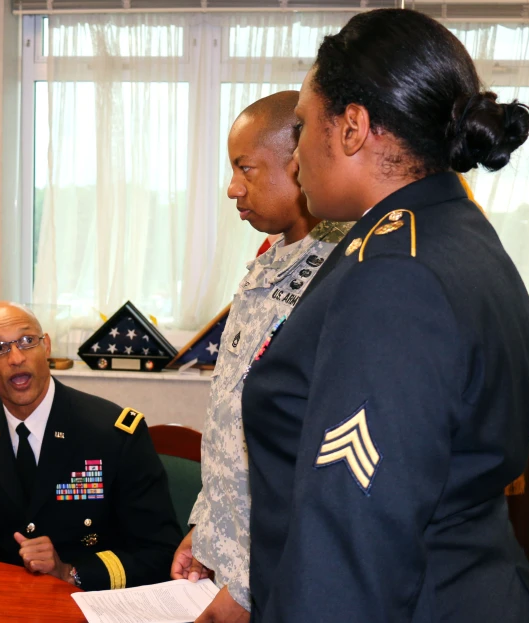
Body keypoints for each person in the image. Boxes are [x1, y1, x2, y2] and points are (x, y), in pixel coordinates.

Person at [241, 9, 529, 622]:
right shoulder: (456, 229)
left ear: (351, 128)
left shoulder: (393, 274)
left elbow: (353, 534)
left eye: (301, 126)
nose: (295, 153)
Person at [170, 91, 350, 623]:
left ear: (297, 165)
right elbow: (232, 418)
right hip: (233, 560)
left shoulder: (340, 270)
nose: (233, 187)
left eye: (245, 168)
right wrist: (207, 529)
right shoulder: (270, 257)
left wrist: (246, 588)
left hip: (281, 575)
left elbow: (312, 455)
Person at [0, 302, 182, 591]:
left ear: (46, 346)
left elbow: (160, 552)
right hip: (4, 601)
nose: (16, 358)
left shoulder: (113, 434)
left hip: (91, 602)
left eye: (26, 341)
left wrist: (71, 572)